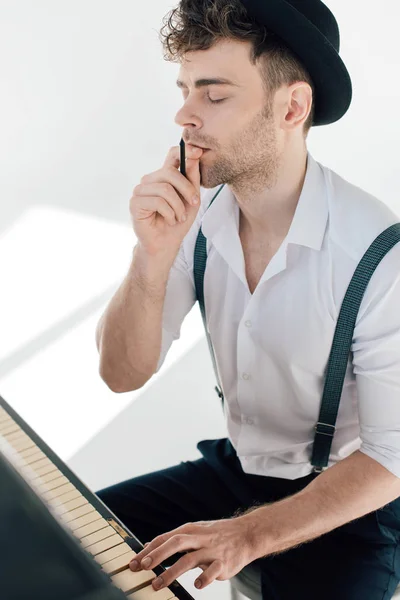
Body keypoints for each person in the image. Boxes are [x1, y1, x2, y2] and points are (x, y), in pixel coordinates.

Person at [95, 1, 400, 598]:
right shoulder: (196, 216)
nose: (184, 115)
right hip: (236, 474)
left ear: (291, 107)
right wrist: (152, 256)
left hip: (350, 508)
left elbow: (392, 459)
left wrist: (246, 538)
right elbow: (121, 374)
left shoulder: (377, 252)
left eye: (214, 95)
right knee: (59, 540)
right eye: (184, 90)